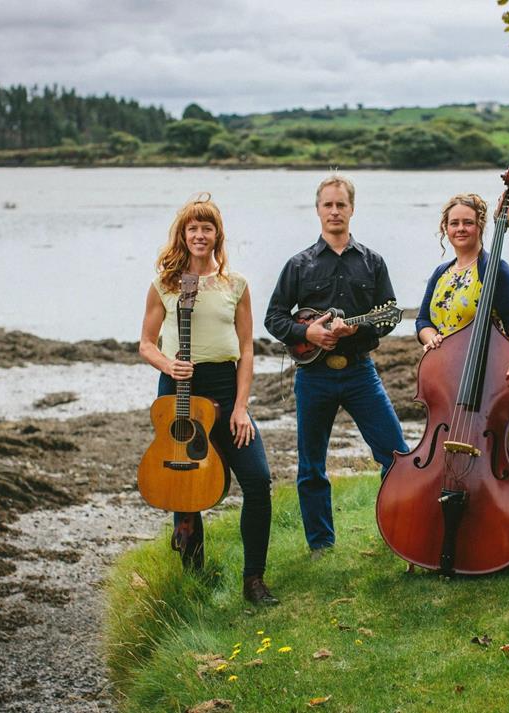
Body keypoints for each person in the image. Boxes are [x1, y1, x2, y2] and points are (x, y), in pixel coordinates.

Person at [138, 194, 278, 605]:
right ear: (183, 235)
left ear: (218, 236)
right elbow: (146, 344)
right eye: (193, 228)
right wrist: (168, 365)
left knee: (257, 480)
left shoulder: (236, 285)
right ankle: (193, 577)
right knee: (184, 485)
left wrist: (239, 408)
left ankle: (254, 580)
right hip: (179, 389)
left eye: (207, 228)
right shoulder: (163, 284)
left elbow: (247, 349)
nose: (200, 235)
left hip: (223, 386)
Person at [265, 174, 408, 558]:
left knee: (396, 456)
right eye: (327, 204)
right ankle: (321, 546)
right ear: (317, 210)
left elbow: (390, 315)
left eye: (340, 204)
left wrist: (354, 330)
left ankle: (398, 533)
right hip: (313, 376)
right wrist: (306, 332)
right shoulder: (298, 264)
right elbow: (273, 318)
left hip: (361, 371)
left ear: (352, 209)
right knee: (311, 466)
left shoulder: (373, 262)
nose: (334, 211)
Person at [415, 192, 509, 385]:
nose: (460, 229)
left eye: (468, 222)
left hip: (484, 374)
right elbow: (423, 320)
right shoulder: (441, 273)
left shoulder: (495, 269)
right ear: (446, 227)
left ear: (480, 226)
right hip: (443, 371)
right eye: (454, 223)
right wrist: (432, 338)